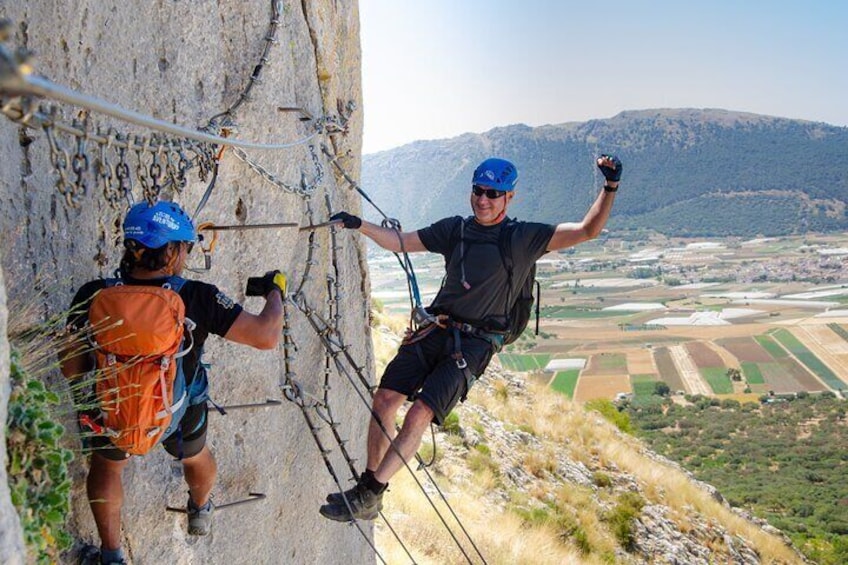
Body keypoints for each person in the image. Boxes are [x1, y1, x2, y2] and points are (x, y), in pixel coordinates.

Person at [319, 154, 622, 522]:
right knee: (384, 399)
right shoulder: (455, 230)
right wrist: (359, 224)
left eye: (493, 193)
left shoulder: (523, 237)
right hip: (437, 327)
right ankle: (369, 486)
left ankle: (370, 492)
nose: (484, 199)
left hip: (475, 345)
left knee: (419, 413)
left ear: (509, 197)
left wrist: (610, 187)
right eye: (479, 191)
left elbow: (588, 230)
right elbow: (402, 242)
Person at [60, 201, 285, 565]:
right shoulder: (197, 296)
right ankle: (199, 507)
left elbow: (71, 366)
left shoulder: (93, 293)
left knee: (107, 465)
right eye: (185, 247)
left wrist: (104, 385)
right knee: (195, 456)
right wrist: (276, 293)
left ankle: (111, 556)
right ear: (170, 250)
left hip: (112, 405)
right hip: (176, 410)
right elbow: (266, 335)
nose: (186, 256)